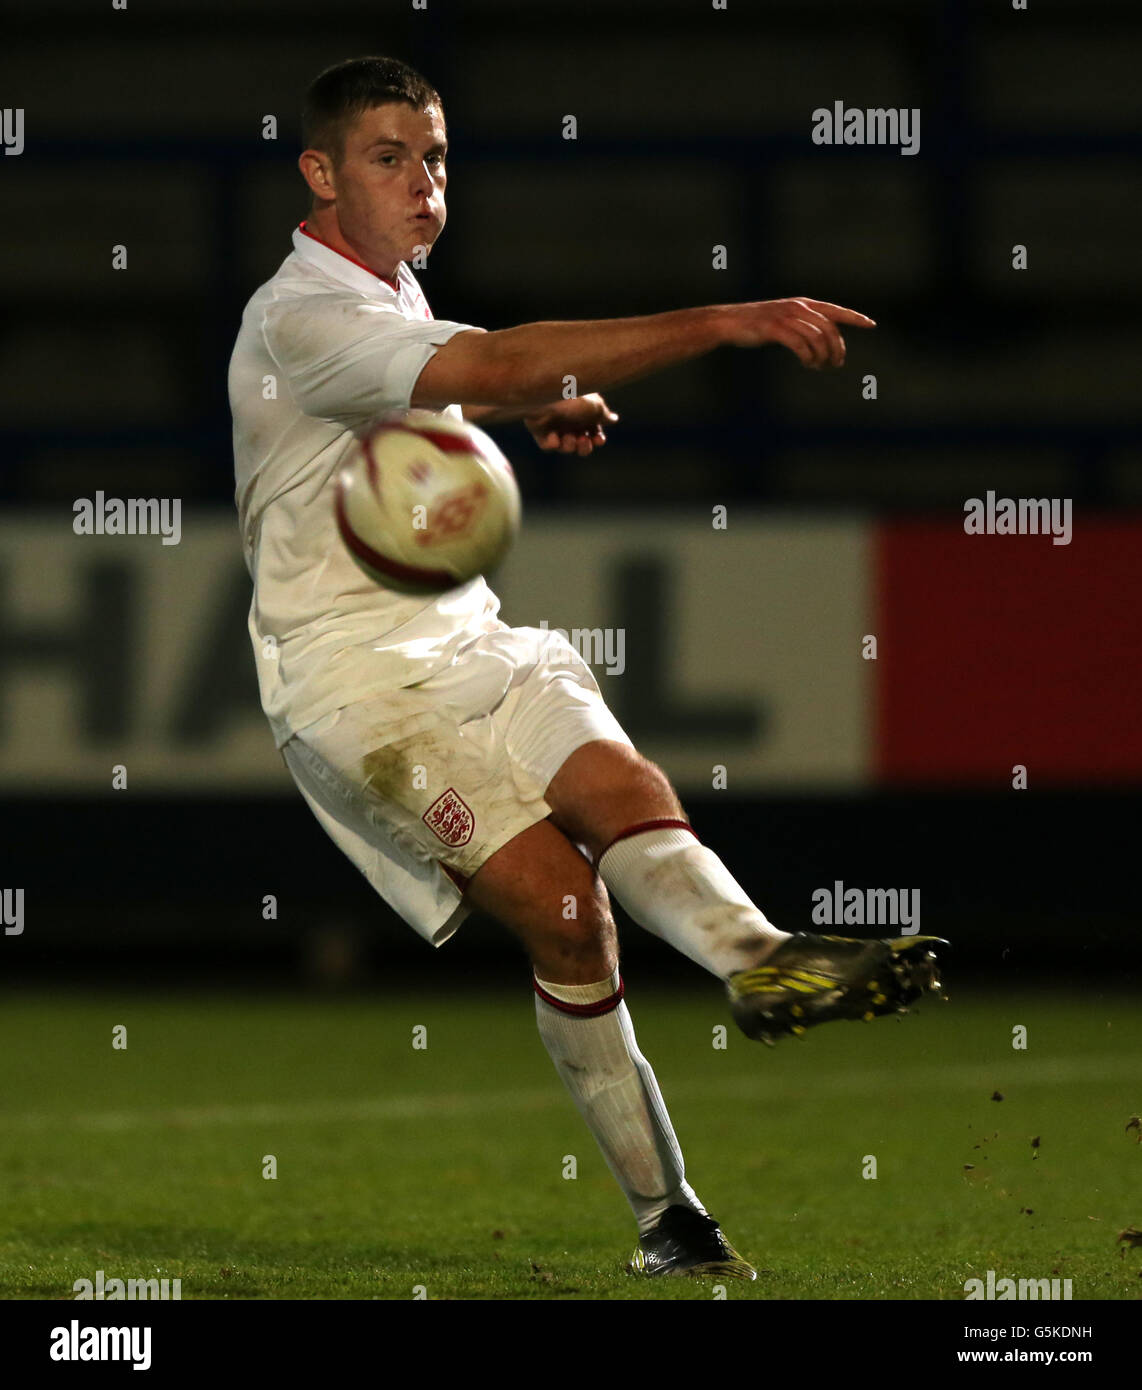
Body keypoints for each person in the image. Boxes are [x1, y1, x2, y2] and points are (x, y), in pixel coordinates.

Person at [228, 54, 943, 1281]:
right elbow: (492, 361)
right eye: (388, 157)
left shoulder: (387, 299)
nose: (422, 181)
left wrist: (518, 412)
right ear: (320, 172)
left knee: (617, 791)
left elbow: (456, 384)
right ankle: (669, 1214)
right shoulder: (299, 315)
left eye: (436, 156)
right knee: (569, 919)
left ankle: (759, 962)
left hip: (476, 641)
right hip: (355, 691)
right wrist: (725, 317)